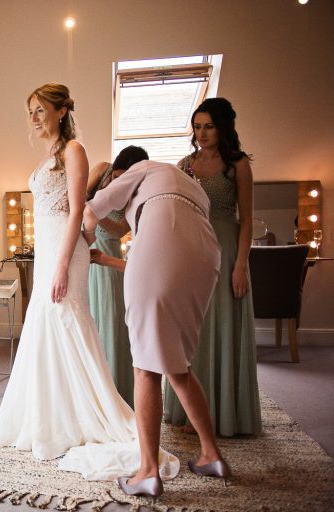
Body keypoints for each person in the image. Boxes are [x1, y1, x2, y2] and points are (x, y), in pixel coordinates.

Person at [0, 84, 177, 482]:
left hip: (65, 250)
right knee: (45, 322)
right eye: (30, 111)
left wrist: (61, 265)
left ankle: (87, 412)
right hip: (48, 248)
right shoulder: (49, 156)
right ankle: (50, 413)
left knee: (65, 318)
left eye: (40, 109)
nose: (34, 117)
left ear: (61, 111)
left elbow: (78, 210)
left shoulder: (74, 150)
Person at [84, 159, 230, 502]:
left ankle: (147, 472)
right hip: (206, 254)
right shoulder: (187, 186)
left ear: (124, 171)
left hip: (163, 246)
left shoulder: (142, 168)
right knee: (178, 365)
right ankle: (212, 455)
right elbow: (158, 235)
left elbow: (94, 209)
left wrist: (81, 241)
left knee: (145, 366)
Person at [163, 97, 262, 437]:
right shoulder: (184, 165)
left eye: (208, 126)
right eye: (197, 127)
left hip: (227, 249)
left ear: (222, 128)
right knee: (195, 330)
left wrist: (240, 267)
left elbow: (247, 221)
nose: (201, 133)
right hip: (192, 252)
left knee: (221, 326)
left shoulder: (238, 165)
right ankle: (190, 412)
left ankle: (226, 414)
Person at [86, 145, 149, 407]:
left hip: (106, 256)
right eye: (116, 176)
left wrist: (95, 212)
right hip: (81, 247)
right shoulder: (101, 169)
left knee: (110, 321)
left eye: (125, 179)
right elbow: (76, 196)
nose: (117, 183)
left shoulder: (138, 194)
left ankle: (114, 394)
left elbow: (120, 231)